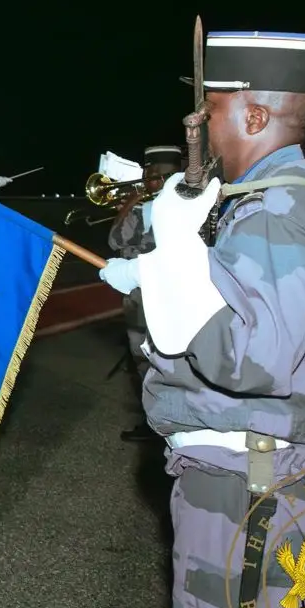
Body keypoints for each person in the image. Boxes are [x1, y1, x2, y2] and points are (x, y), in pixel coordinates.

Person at [98, 30, 305, 608]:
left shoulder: (275, 211)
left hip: (254, 491)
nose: (199, 125)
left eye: (211, 110)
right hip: (276, 478)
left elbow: (252, 357)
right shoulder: (295, 196)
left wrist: (168, 272)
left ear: (253, 116)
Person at [107, 145, 182, 442]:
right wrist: (130, 204)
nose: (150, 183)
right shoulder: (140, 207)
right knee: (141, 360)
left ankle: (175, 421)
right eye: (148, 176)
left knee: (172, 362)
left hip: (171, 298)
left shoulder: (188, 209)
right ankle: (153, 422)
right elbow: (115, 241)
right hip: (139, 300)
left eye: (156, 177)